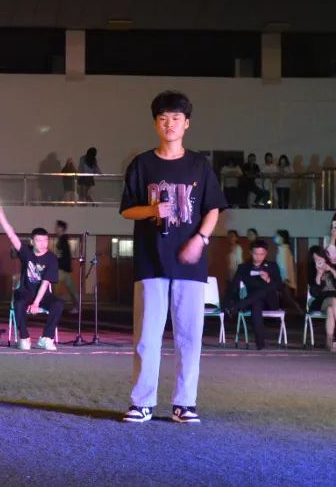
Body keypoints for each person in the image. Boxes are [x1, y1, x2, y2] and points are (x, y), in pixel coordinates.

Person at [121, 90, 226, 425]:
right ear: (156, 123)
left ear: (187, 123)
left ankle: (184, 404)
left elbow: (213, 208)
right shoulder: (142, 164)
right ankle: (142, 403)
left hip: (189, 264)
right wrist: (152, 210)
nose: (170, 124)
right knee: (146, 338)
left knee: (189, 338)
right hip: (150, 260)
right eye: (163, 118)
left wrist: (201, 239)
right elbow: (127, 210)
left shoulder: (199, 165)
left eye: (176, 118)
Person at [0, 205, 64, 351]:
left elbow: (45, 283)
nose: (43, 244)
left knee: (58, 304)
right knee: (18, 304)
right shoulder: (26, 253)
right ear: (32, 241)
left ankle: (46, 338)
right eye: (39, 240)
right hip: (25, 291)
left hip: (42, 294)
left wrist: (36, 303)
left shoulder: (51, 259)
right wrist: (1, 217)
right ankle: (24, 338)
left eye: (45, 240)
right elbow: (12, 236)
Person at [225, 239, 282, 350]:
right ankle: (260, 344)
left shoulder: (272, 266)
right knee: (256, 303)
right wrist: (228, 300)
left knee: (265, 290)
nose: (259, 257)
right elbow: (234, 286)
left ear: (266, 253)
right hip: (252, 302)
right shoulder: (244, 268)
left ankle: (236, 307)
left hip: (270, 302)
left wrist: (268, 279)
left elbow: (280, 286)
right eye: (256, 254)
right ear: (251, 252)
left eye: (262, 254)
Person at [309, 244, 336, 352]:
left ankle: (329, 342)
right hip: (322, 300)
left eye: (320, 258)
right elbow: (314, 293)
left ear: (325, 257)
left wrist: (333, 271)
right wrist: (318, 275)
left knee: (330, 309)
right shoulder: (313, 270)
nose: (319, 261)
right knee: (333, 300)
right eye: (315, 259)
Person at [272, 230, 302, 314]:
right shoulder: (284, 249)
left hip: (284, 279)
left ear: (282, 238)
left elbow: (284, 266)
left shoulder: (284, 250)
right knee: (285, 297)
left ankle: (300, 311)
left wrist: (284, 278)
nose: (275, 238)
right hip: (283, 278)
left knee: (288, 298)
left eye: (277, 236)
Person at [53, 220, 79, 313]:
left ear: (61, 228)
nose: (55, 229)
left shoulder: (62, 240)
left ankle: (53, 307)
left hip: (61, 269)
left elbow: (62, 256)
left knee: (54, 289)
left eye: (57, 227)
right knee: (71, 289)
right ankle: (77, 307)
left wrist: (57, 264)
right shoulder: (64, 240)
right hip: (65, 269)